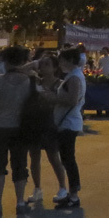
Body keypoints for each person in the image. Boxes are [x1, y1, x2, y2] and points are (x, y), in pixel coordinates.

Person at [0, 45, 35, 217]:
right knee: (19, 164)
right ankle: (20, 202)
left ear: (6, 61)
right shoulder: (29, 81)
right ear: (23, 61)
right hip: (21, 128)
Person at [26, 53, 69, 206]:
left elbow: (62, 102)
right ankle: (37, 189)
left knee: (53, 157)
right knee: (34, 157)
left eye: (47, 64)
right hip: (34, 123)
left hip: (50, 124)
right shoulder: (36, 81)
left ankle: (63, 187)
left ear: (55, 68)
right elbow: (22, 71)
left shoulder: (60, 84)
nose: (43, 67)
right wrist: (34, 63)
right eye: (42, 64)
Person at [46, 47, 86, 208]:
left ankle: (74, 195)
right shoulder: (72, 76)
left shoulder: (75, 77)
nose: (60, 63)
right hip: (66, 121)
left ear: (69, 60)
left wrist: (53, 98)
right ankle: (72, 192)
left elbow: (72, 100)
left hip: (69, 122)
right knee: (67, 158)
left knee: (68, 159)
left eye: (62, 60)